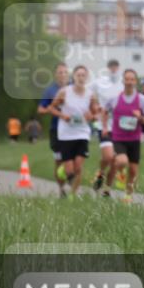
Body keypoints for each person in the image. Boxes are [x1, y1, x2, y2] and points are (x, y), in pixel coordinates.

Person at [50, 65, 101, 196]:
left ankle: (73, 194)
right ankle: (64, 171)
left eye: (83, 75)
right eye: (78, 75)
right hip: (66, 134)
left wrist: (93, 116)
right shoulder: (64, 92)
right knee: (69, 170)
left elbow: (96, 114)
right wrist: (63, 116)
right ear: (73, 76)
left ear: (87, 77)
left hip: (82, 133)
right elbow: (52, 108)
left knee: (78, 167)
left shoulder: (91, 94)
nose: (81, 78)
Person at [107, 69, 144, 202]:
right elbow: (104, 111)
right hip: (118, 137)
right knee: (122, 161)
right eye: (127, 79)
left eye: (132, 79)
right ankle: (121, 173)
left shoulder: (142, 99)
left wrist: (141, 117)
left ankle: (128, 196)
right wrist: (104, 126)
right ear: (123, 81)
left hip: (134, 139)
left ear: (136, 82)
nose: (129, 82)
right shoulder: (115, 99)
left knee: (133, 171)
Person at [91, 59, 124, 197]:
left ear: (119, 67)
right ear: (108, 68)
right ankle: (100, 172)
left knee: (116, 161)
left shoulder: (124, 83)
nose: (113, 69)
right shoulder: (100, 82)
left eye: (116, 66)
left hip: (119, 127)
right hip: (104, 125)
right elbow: (90, 97)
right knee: (108, 156)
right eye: (111, 66)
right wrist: (95, 107)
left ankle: (107, 189)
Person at [38, 63, 70, 191]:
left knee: (72, 160)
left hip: (72, 130)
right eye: (60, 72)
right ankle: (62, 189)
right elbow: (40, 110)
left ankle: (71, 183)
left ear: (68, 74)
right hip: (56, 129)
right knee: (59, 161)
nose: (62, 75)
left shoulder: (74, 88)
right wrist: (51, 110)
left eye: (64, 72)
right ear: (55, 75)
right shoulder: (50, 90)